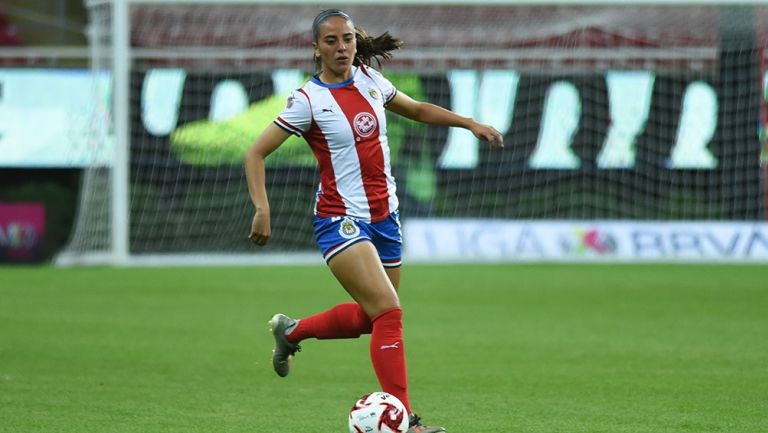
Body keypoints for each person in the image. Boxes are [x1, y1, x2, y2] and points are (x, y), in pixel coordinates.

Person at [244, 9, 504, 433]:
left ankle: (292, 332)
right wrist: (262, 207)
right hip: (340, 219)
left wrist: (469, 123)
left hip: (386, 216)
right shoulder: (307, 100)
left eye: (346, 38)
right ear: (316, 49)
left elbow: (417, 109)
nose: (341, 47)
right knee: (389, 311)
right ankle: (404, 422)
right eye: (331, 41)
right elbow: (255, 153)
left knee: (373, 317)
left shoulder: (368, 79)